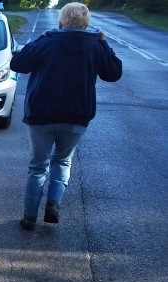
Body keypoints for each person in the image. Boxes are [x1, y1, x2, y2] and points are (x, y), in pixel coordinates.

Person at [10, 2, 122, 231]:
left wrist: (39, 40)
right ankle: (53, 203)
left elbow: (18, 64)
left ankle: (29, 217)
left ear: (61, 22)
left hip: (42, 113)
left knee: (37, 166)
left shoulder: (48, 41)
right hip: (77, 115)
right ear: (87, 23)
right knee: (61, 160)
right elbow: (114, 73)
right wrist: (104, 43)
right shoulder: (96, 46)